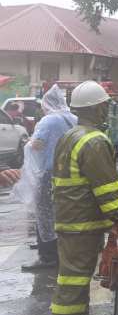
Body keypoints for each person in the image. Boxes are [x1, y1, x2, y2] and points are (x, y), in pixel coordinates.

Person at [49, 80, 118, 315]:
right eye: (105, 106)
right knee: (72, 279)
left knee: (79, 277)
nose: (107, 110)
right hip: (80, 223)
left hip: (72, 220)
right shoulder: (93, 140)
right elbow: (106, 186)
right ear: (96, 109)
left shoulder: (70, 135)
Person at [21, 85, 77, 271]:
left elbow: (37, 145)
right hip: (71, 171)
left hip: (49, 173)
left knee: (44, 213)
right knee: (63, 213)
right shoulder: (74, 119)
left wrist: (28, 143)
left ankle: (47, 256)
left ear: (48, 104)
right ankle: (59, 249)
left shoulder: (48, 121)